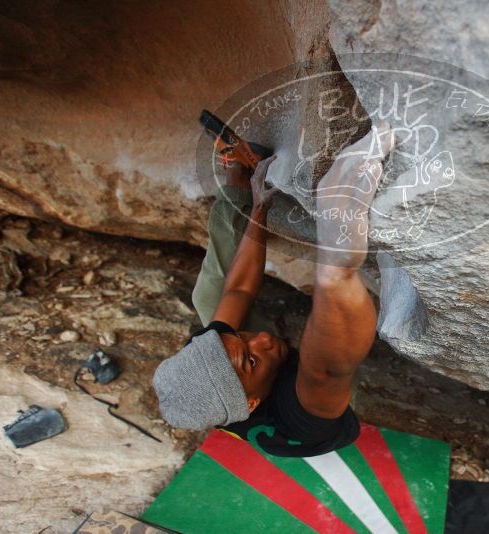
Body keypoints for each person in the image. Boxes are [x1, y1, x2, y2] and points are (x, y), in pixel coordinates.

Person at [153, 116, 395, 457]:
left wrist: (260, 207)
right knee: (326, 356)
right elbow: (325, 369)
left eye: (240, 338)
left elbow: (237, 290)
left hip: (247, 375)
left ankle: (240, 176)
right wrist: (335, 259)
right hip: (322, 397)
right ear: (251, 402)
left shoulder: (214, 356)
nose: (263, 339)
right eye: (251, 360)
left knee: (208, 295)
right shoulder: (295, 420)